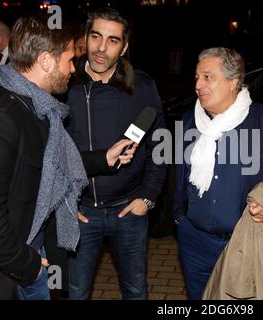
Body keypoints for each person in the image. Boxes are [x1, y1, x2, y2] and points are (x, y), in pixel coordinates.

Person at [0, 14, 136, 300]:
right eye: (68, 60)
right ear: (45, 61)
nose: (72, 69)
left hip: (31, 255)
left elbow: (54, 163)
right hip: (10, 273)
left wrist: (105, 158)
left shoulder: (38, 108)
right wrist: (29, 268)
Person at [173, 47, 263, 300]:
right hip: (195, 243)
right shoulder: (190, 121)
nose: (198, 85)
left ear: (233, 81)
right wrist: (181, 220)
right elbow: (181, 178)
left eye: (207, 77)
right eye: (197, 78)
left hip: (245, 243)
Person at [65, 8, 166, 300]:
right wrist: (66, 204)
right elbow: (50, 151)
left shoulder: (142, 85)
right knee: (76, 292)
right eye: (96, 37)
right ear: (85, 38)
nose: (101, 48)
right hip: (81, 213)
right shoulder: (65, 84)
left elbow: (161, 140)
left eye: (112, 40)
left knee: (136, 291)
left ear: (124, 47)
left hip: (129, 212)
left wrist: (148, 195)